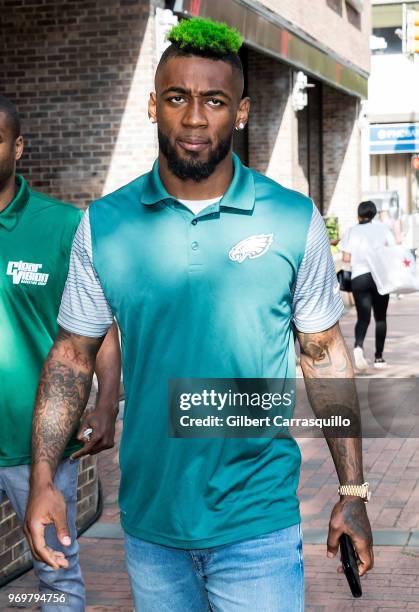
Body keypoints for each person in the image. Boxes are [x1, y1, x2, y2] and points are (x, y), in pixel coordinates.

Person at [24, 19, 373, 612]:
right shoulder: (105, 224)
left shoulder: (292, 219)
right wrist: (41, 481)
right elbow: (71, 356)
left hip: (257, 524)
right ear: (153, 105)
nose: (193, 119)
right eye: (178, 98)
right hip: (151, 526)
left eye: (213, 101)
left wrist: (353, 490)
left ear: (240, 112)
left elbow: (323, 357)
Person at [0, 95, 121, 611]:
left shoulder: (62, 227)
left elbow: (102, 331)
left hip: (38, 443)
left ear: (18, 147)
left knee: (56, 574)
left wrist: (105, 403)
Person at [340, 200, 396, 370]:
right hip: (380, 278)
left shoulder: (352, 231)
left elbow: (346, 259)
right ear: (374, 214)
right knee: (380, 318)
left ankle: (358, 347)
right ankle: (379, 358)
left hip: (359, 278)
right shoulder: (383, 229)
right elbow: (392, 252)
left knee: (363, 318)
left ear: (359, 214)